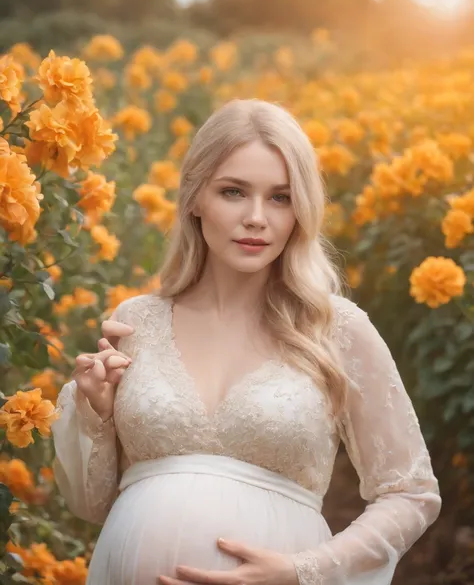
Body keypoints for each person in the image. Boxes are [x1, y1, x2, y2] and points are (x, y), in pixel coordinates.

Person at [51, 99, 442, 585]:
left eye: (280, 197)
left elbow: (410, 492)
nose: (257, 217)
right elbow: (92, 503)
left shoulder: (335, 328)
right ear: (195, 197)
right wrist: (96, 412)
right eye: (234, 192)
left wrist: (302, 570)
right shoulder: (135, 323)